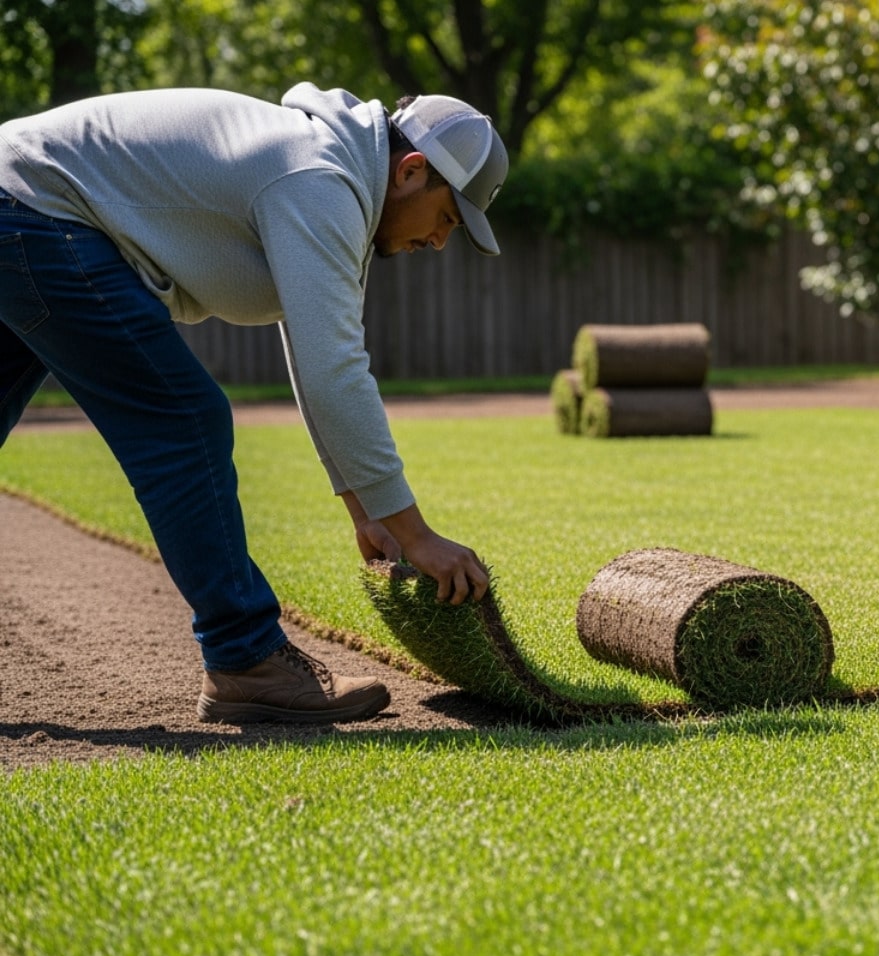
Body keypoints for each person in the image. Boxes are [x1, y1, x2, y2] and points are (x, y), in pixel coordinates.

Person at [0, 83, 507, 724]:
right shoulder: (321, 180)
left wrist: (364, 508)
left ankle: (244, 658)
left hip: (18, 201)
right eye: (447, 218)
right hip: (36, 211)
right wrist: (415, 534)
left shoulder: (332, 170)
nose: (438, 241)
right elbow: (336, 373)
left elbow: (310, 354)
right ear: (411, 172)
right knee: (184, 421)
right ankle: (244, 658)